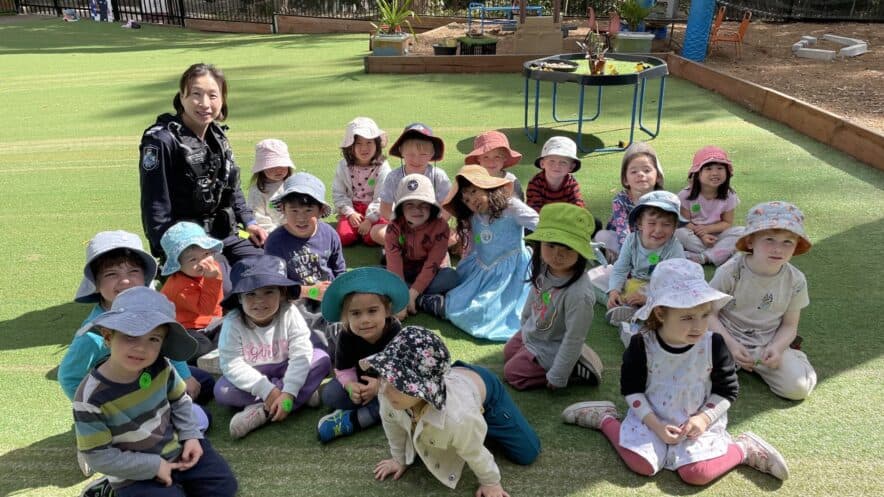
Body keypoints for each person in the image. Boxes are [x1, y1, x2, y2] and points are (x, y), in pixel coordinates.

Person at [562, 259, 790, 485]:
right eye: (687, 317)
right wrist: (656, 425)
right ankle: (605, 419)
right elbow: (632, 390)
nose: (699, 326)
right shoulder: (641, 344)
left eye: (704, 315)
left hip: (698, 422)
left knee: (696, 474)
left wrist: (703, 419)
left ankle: (743, 449)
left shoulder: (714, 344)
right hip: (651, 417)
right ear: (661, 314)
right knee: (641, 464)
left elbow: (727, 391)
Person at [73, 287, 238, 497]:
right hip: (134, 473)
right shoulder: (90, 397)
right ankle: (109, 489)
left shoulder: (161, 366)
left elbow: (180, 400)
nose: (141, 348)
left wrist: (191, 435)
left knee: (224, 487)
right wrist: (154, 466)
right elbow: (97, 456)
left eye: (153, 339)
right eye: (131, 336)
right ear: (108, 336)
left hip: (177, 449)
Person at [59, 232, 213, 449]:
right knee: (200, 419)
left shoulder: (151, 307)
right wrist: (96, 410)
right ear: (95, 283)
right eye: (111, 274)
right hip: (129, 401)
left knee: (205, 383)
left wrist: (185, 376)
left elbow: (168, 344)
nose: (125, 281)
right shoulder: (93, 335)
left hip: (153, 377)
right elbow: (68, 376)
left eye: (133, 271)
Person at [368, 327, 541, 497]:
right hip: (454, 382)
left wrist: (490, 482)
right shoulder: (388, 393)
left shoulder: (459, 417)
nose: (385, 389)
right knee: (459, 431)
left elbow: (474, 451)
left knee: (527, 452)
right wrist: (399, 459)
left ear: (424, 389)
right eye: (383, 376)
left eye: (397, 384)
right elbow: (392, 425)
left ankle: (481, 420)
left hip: (485, 391)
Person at [139, 63, 266, 265]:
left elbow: (232, 188)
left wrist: (249, 222)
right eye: (196, 94)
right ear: (182, 97)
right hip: (188, 241)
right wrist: (169, 252)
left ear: (222, 100)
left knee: (269, 264)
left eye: (213, 96)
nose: (205, 103)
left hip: (228, 233)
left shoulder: (218, 137)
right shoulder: (161, 140)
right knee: (219, 276)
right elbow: (155, 203)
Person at [214, 255, 331, 439]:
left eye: (268, 292)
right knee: (222, 391)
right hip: (253, 375)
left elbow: (301, 352)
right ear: (239, 297)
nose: (260, 301)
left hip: (286, 367)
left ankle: (263, 411)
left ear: (282, 293)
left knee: (321, 359)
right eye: (250, 294)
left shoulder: (289, 312)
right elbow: (232, 364)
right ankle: (301, 395)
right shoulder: (233, 322)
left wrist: (289, 391)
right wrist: (268, 390)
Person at [709, 201, 816, 400]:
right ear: (750, 242)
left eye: (787, 242)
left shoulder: (796, 280)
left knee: (798, 388)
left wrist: (777, 348)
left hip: (766, 344)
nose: (778, 249)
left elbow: (790, 325)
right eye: (769, 239)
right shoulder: (730, 271)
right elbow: (708, 314)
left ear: (796, 246)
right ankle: (731, 363)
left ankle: (792, 358)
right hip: (725, 338)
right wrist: (731, 345)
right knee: (697, 379)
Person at [503, 203, 604, 389]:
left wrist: (558, 375)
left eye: (568, 247)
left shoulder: (579, 294)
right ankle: (571, 359)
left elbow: (574, 337)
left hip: (552, 344)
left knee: (512, 373)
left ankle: (573, 369)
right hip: (536, 333)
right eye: (550, 245)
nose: (558, 254)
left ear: (580, 251)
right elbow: (534, 294)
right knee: (508, 352)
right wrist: (525, 321)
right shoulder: (544, 267)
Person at [440, 166, 538, 341]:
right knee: (457, 300)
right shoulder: (474, 217)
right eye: (466, 200)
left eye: (474, 191)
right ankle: (435, 303)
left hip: (512, 273)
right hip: (482, 267)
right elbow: (476, 242)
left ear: (487, 187)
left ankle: (437, 305)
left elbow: (539, 224)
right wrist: (465, 260)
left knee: (483, 312)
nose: (472, 200)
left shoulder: (512, 207)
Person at [314, 267, 408, 443]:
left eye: (372, 311)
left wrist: (380, 386)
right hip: (360, 383)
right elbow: (343, 369)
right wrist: (351, 386)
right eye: (356, 313)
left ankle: (353, 419)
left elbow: (402, 370)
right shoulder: (347, 334)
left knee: (402, 400)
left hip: (390, 385)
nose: (365, 320)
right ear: (346, 317)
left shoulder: (395, 330)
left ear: (387, 311)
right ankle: (365, 409)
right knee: (330, 395)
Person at [265, 172, 347, 353]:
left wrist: (339, 292)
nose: (301, 218)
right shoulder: (275, 241)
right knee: (304, 328)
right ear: (283, 209)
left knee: (351, 318)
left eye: (308, 211)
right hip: (296, 299)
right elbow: (274, 285)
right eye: (294, 210)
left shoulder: (329, 233)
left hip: (328, 295)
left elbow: (339, 269)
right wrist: (310, 291)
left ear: (320, 211)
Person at [605, 190, 686, 331]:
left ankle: (643, 313)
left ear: (674, 227)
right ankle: (627, 307)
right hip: (634, 282)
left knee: (677, 300)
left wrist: (648, 297)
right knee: (600, 277)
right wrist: (614, 291)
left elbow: (676, 282)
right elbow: (620, 268)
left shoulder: (674, 247)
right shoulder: (631, 240)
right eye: (652, 223)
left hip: (660, 288)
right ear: (640, 223)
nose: (658, 230)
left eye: (666, 224)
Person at [384, 174, 460, 320]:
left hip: (431, 273)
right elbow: (394, 264)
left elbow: (432, 263)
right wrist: (401, 296)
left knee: (451, 277)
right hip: (403, 270)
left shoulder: (441, 227)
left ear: (431, 207)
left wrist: (412, 294)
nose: (417, 210)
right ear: (401, 208)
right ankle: (424, 300)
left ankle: (415, 296)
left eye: (423, 205)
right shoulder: (394, 227)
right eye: (409, 204)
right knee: (377, 274)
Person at [159, 222, 226, 361]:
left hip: (210, 322)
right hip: (185, 329)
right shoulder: (180, 286)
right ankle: (209, 358)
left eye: (206, 254)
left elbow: (217, 304)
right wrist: (212, 280)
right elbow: (205, 309)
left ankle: (220, 352)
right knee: (202, 347)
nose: (202, 262)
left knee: (236, 327)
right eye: (193, 259)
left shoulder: (211, 268)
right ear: (178, 265)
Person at [375, 123, 452, 243]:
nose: (416, 159)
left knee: (455, 237)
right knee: (376, 231)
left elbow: (447, 207)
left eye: (423, 154)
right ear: (401, 151)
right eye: (411, 154)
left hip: (431, 227)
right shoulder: (393, 177)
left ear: (432, 154)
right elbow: (385, 209)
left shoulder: (438, 176)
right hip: (404, 226)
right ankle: (414, 247)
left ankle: (412, 248)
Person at [594, 142, 665, 263]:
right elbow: (623, 232)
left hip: (652, 240)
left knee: (677, 235)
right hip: (625, 240)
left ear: (658, 176)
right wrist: (630, 255)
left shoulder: (663, 199)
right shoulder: (620, 200)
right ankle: (624, 260)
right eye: (634, 172)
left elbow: (667, 227)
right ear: (625, 179)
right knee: (602, 236)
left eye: (647, 170)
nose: (640, 174)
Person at [676, 146, 745, 266]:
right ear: (697, 173)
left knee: (743, 232)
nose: (715, 173)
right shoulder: (685, 195)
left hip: (718, 234)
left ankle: (704, 257)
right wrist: (703, 235)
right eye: (708, 168)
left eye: (720, 168)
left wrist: (708, 229)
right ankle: (720, 253)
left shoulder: (729, 195)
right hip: (694, 234)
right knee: (679, 233)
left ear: (727, 172)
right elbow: (685, 222)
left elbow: (727, 223)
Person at [331, 117, 391, 247]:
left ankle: (367, 231)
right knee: (344, 237)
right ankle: (355, 230)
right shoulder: (343, 166)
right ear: (350, 146)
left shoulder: (382, 166)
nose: (364, 148)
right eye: (358, 143)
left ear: (376, 144)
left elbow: (382, 196)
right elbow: (338, 193)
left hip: (376, 209)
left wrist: (370, 220)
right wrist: (350, 213)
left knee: (372, 238)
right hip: (352, 208)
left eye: (369, 142)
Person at [247, 138, 295, 233]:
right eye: (272, 166)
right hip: (271, 233)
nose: (278, 170)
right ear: (262, 168)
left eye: (282, 165)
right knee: (243, 235)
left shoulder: (294, 184)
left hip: (297, 230)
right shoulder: (257, 191)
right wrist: (276, 233)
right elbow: (258, 217)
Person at [525, 136, 586, 213]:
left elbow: (578, 206)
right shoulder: (536, 182)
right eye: (552, 161)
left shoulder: (571, 184)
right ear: (542, 163)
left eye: (563, 162)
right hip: (542, 218)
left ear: (571, 167)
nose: (557, 166)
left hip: (565, 218)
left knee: (594, 220)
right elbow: (533, 209)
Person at [464, 130, 524, 200]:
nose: (491, 162)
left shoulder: (512, 181)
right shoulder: (472, 182)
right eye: (486, 157)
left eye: (497, 157)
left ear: (504, 157)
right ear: (478, 158)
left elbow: (520, 204)